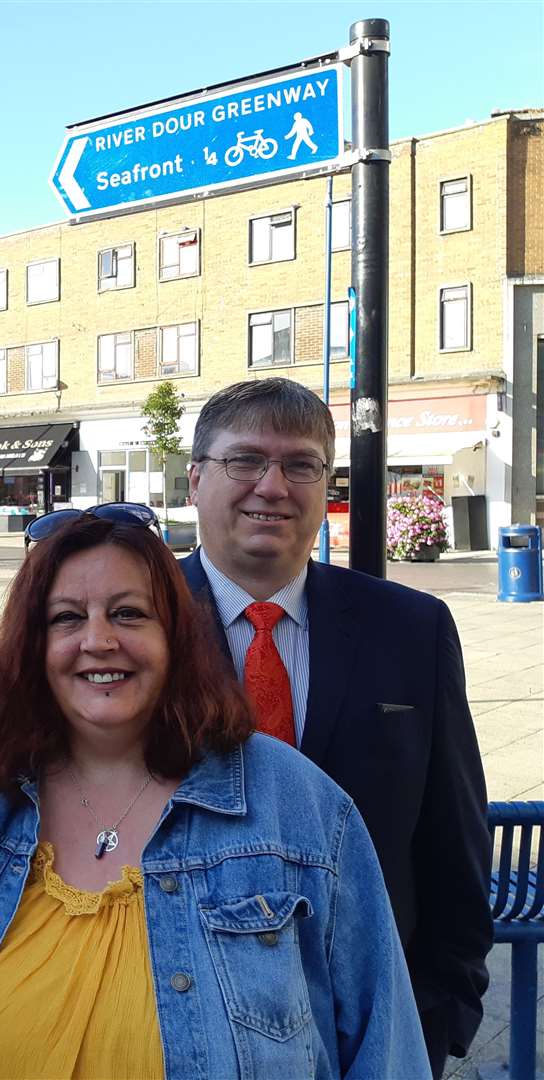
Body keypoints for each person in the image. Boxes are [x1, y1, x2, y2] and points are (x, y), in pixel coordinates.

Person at [0, 506, 429, 1078]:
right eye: (66, 618)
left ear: (176, 637)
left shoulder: (298, 804)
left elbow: (386, 1047)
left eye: (129, 614)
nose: (98, 640)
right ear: (32, 645)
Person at [182, 377, 490, 1076]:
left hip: (369, 1025)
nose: (273, 485)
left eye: (301, 465)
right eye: (245, 461)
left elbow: (454, 838)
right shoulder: (132, 624)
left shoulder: (411, 630)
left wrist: (444, 1016)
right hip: (178, 1013)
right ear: (196, 479)